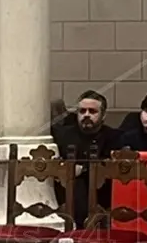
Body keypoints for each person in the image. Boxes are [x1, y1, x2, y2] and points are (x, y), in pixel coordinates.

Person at [51, 90, 124, 225]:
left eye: (92, 111)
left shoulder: (115, 137)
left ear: (103, 115)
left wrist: (83, 169)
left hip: (102, 195)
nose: (86, 115)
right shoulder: (62, 135)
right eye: (82, 111)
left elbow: (113, 167)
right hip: (67, 194)